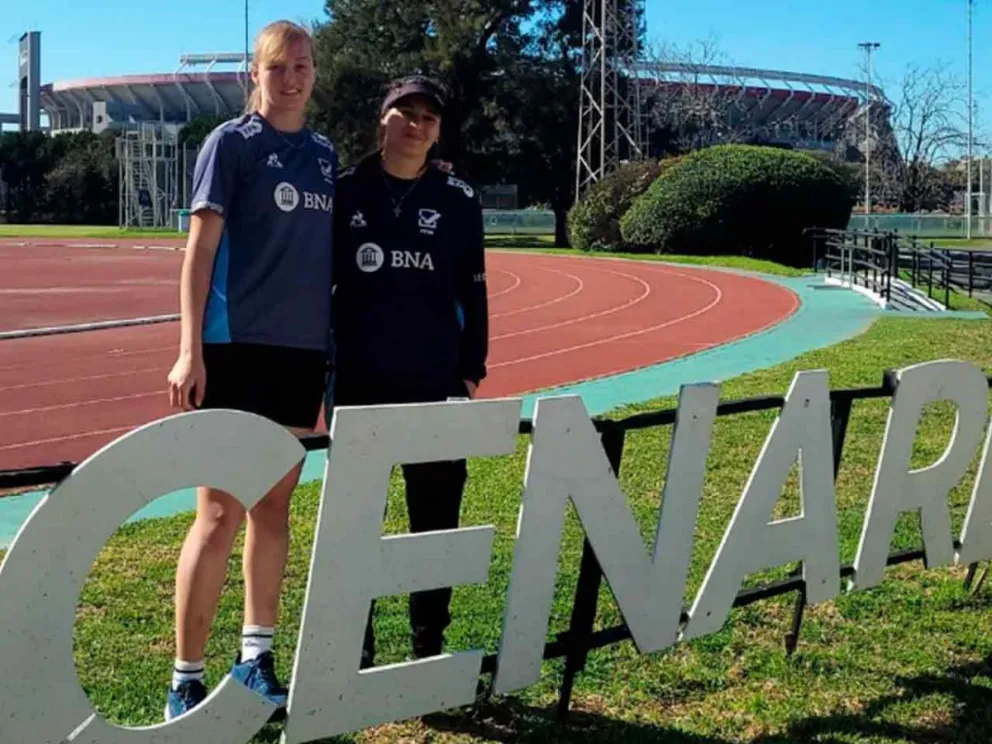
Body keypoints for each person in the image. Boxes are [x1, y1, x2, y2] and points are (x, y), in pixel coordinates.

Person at [163, 19, 335, 721]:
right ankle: (185, 678)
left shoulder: (324, 156)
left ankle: (256, 659)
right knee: (217, 512)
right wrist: (189, 347)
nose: (291, 78)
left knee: (273, 509)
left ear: (314, 72)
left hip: (300, 357)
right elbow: (198, 254)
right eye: (277, 67)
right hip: (235, 351)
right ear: (254, 76)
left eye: (302, 65)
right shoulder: (230, 145)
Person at [329, 75, 489, 666]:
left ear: (438, 130)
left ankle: (429, 649)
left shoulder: (457, 198)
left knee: (436, 523)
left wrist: (470, 370)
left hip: (435, 381)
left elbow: (475, 289)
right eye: (406, 112)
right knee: (355, 520)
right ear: (383, 118)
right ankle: (357, 647)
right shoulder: (345, 190)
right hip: (361, 380)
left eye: (429, 116)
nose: (417, 124)